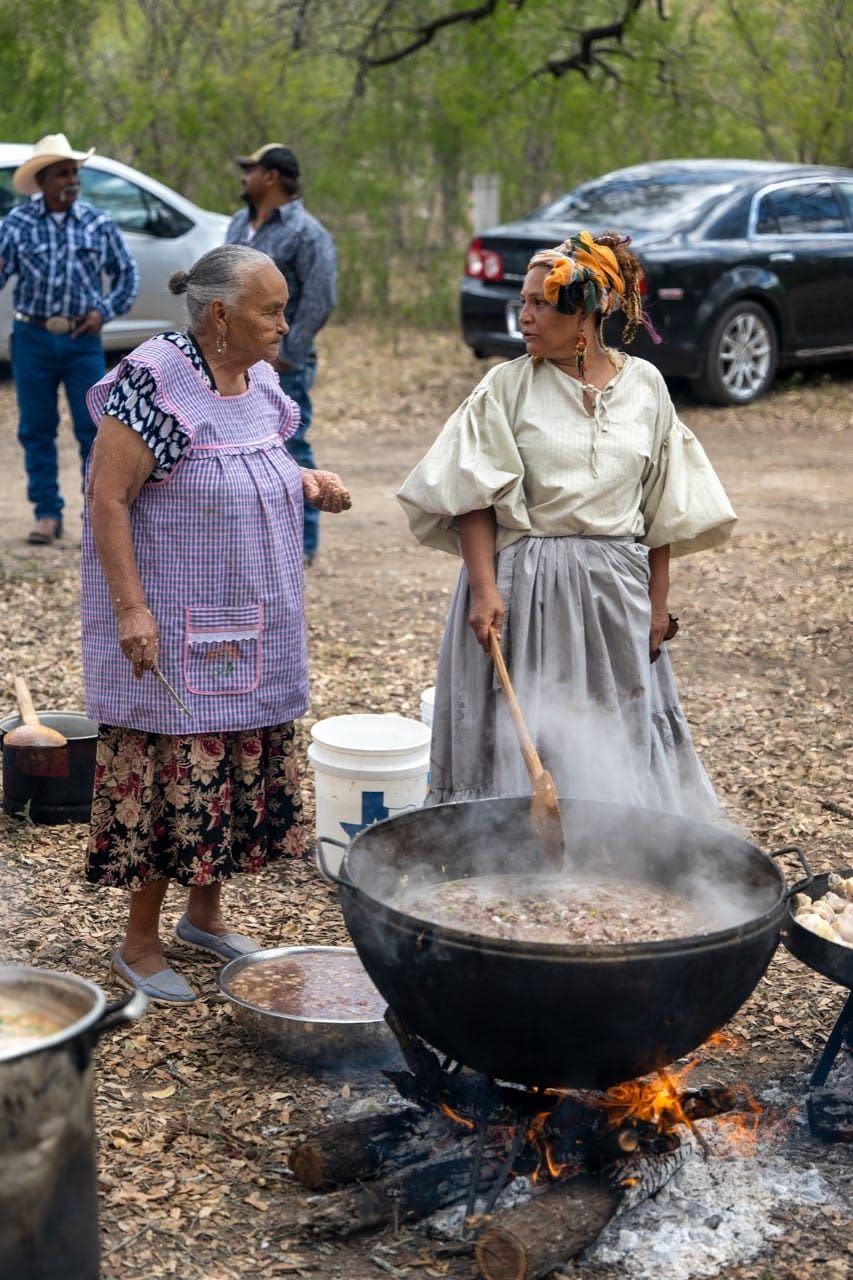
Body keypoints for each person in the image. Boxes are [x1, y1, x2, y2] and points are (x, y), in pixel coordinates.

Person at [81, 244, 351, 1004]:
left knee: (231, 765)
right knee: (175, 776)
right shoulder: (156, 383)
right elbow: (109, 499)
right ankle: (138, 942)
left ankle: (205, 915)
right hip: (171, 625)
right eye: (271, 309)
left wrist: (304, 481)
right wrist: (131, 608)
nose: (284, 322)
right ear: (222, 315)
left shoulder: (257, 377)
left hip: (247, 623)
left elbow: (241, 459)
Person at [398, 230, 737, 817]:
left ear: (584, 312)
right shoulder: (507, 386)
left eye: (538, 303)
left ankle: (620, 842)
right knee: (525, 723)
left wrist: (657, 604)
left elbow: (663, 506)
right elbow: (471, 494)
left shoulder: (647, 388)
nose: (522, 316)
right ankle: (499, 845)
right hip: (523, 589)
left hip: (615, 592)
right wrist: (483, 589)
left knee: (613, 720)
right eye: (522, 300)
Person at [0, 133, 139, 544]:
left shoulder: (98, 223)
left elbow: (127, 275)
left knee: (92, 429)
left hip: (82, 341)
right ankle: (46, 514)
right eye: (62, 174)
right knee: (37, 428)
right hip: (33, 338)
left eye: (74, 172)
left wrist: (104, 311)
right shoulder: (16, 225)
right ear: (42, 180)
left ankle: (93, 515)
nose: (72, 181)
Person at [226, 143, 337, 566]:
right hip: (234, 363)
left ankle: (302, 547)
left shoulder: (307, 232)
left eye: (249, 170)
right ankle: (253, 542)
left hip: (279, 363)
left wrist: (287, 352)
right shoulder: (240, 223)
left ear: (271, 177)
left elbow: (320, 297)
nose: (243, 178)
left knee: (291, 448)